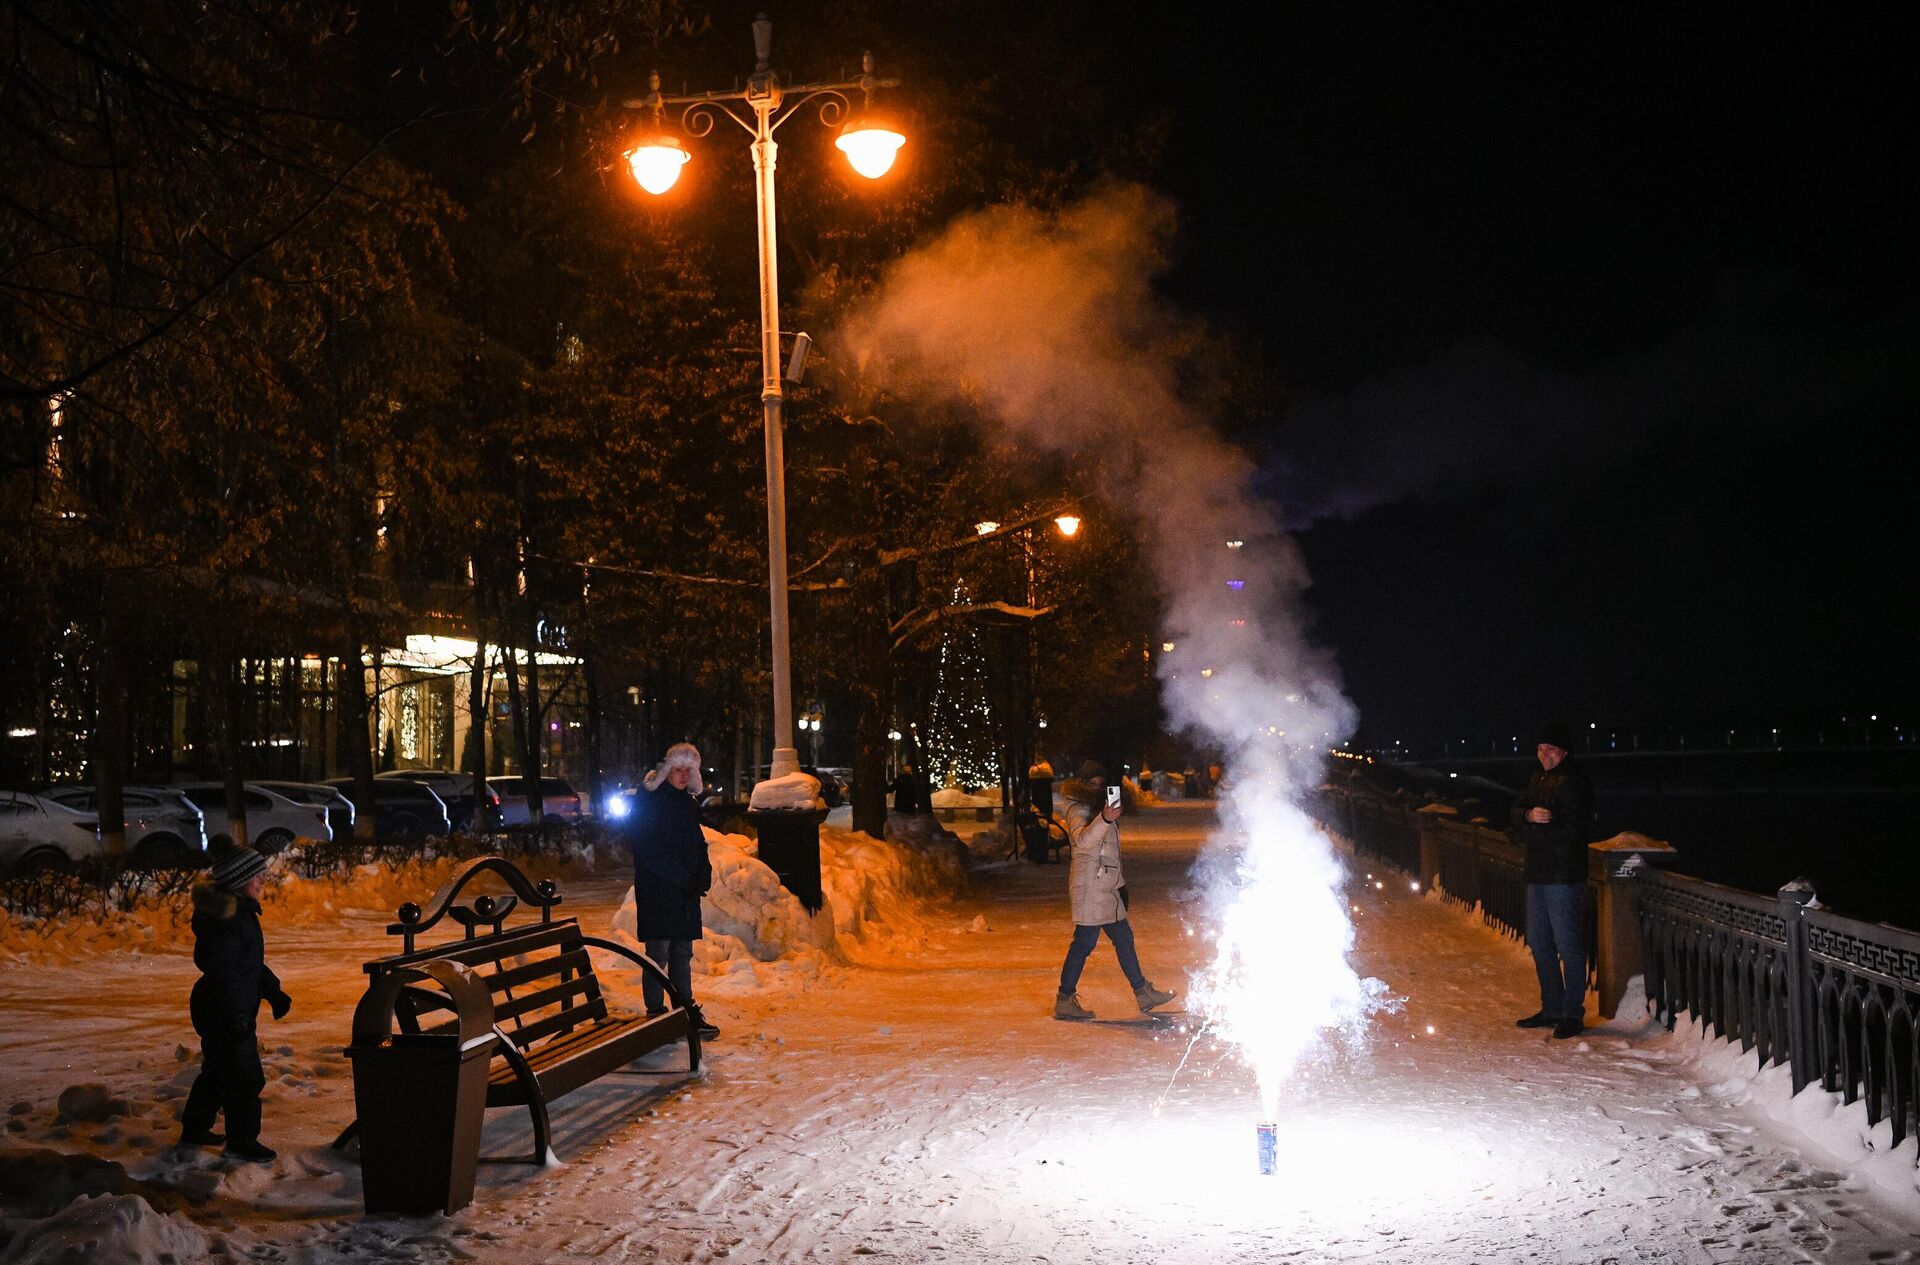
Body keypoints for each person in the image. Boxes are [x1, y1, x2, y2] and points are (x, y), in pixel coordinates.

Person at [179, 846, 289, 1163]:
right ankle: (242, 1140)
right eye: (257, 876)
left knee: (218, 1070)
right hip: (224, 1011)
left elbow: (248, 965)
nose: (263, 881)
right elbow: (225, 972)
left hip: (224, 1008)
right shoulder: (226, 920)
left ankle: (195, 1128)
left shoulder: (238, 913)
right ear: (239, 879)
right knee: (245, 1077)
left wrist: (273, 991)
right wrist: (237, 1017)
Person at [1053, 761, 1176, 1020]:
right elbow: (1083, 841)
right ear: (1082, 784)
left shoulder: (1096, 808)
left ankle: (1143, 992)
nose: (1097, 788)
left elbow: (1109, 854)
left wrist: (1120, 885)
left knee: (1123, 938)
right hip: (1091, 888)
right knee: (1084, 944)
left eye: (1101, 783)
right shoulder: (1078, 808)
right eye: (1092, 783)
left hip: (1105, 888)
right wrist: (1105, 818)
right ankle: (1064, 999)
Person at [1509, 723, 1596, 1040]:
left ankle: (1572, 1014)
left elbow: (1573, 829)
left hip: (1564, 877)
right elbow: (1515, 811)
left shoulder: (1575, 782)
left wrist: (1533, 827)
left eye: (1552, 750)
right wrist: (1528, 817)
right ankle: (1552, 1008)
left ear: (1564, 753)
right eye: (1541, 749)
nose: (1545, 754)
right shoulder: (1537, 779)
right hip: (1538, 875)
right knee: (1540, 943)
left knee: (1569, 947)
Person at [628, 742, 720, 1040]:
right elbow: (647, 849)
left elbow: (696, 840)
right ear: (667, 770)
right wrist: (683, 878)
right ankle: (655, 1013)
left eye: (688, 770)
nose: (683, 776)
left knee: (682, 951)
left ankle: (685, 1009)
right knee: (659, 952)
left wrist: (701, 873)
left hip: (682, 891)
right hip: (659, 890)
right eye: (678, 769)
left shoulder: (685, 802)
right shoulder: (649, 801)